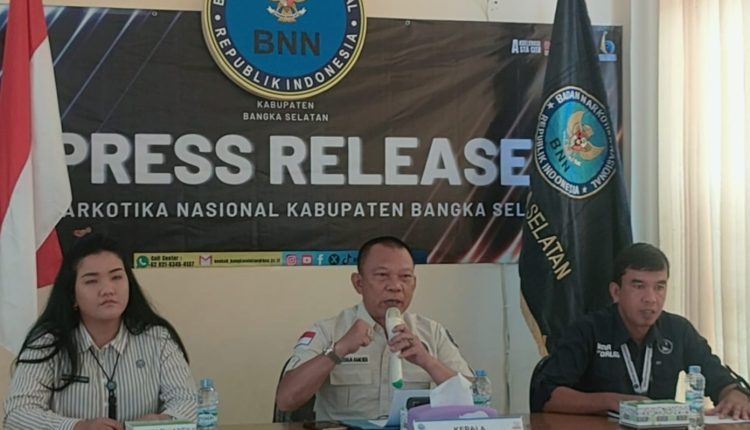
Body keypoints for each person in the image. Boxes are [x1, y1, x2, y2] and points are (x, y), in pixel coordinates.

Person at [530, 243, 750, 418]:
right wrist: (613, 401)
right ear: (616, 292)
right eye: (639, 286)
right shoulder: (587, 330)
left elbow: (719, 379)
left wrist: (733, 394)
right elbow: (547, 396)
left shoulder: (678, 331)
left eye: (659, 287)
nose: (650, 298)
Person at [3, 234, 197, 430]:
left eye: (116, 277)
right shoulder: (47, 343)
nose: (107, 290)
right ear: (72, 295)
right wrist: (77, 427)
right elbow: (18, 413)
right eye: (91, 281)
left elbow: (189, 402)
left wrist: (162, 421)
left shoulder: (157, 339)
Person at [275, 236, 473, 420]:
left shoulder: (432, 332)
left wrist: (427, 361)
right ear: (358, 283)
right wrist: (338, 350)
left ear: (414, 284)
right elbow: (286, 400)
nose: (395, 286)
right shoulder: (328, 330)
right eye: (382, 275)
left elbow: (476, 400)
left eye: (405, 276)